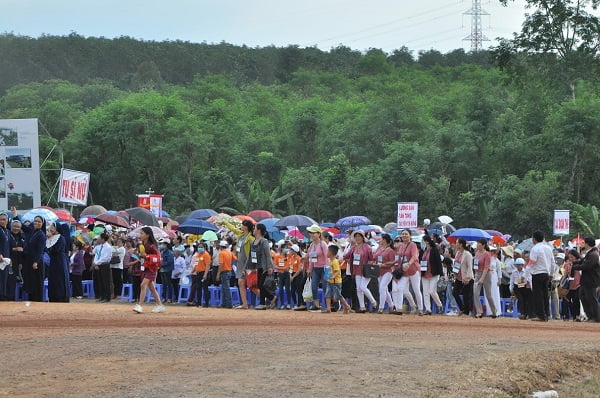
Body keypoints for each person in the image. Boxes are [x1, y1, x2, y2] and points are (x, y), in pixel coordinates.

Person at [133, 227, 165, 313]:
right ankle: (160, 305)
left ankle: (140, 305)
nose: (140, 235)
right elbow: (143, 255)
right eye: (140, 233)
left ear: (147, 235)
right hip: (145, 267)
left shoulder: (152, 246)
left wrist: (146, 256)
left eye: (142, 233)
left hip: (152, 269)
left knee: (143, 285)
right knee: (152, 288)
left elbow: (158, 257)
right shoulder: (142, 244)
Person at [224, 219, 255, 309]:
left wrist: (251, 265)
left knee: (252, 285)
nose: (241, 226)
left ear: (246, 227)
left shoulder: (251, 239)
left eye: (242, 225)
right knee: (241, 283)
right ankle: (244, 304)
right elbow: (233, 229)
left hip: (248, 263)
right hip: (240, 263)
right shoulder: (241, 236)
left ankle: (268, 299)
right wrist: (225, 222)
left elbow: (252, 253)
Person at [391, 229, 423, 315]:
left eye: (406, 234)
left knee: (416, 290)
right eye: (403, 234)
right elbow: (399, 258)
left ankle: (420, 309)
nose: (404, 235)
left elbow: (415, 256)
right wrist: (396, 268)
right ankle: (399, 308)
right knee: (400, 288)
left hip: (413, 270)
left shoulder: (413, 245)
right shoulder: (400, 245)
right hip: (404, 271)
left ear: (410, 236)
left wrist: (409, 264)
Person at [526, 231, 556, 322]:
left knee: (538, 295)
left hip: (537, 273)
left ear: (534, 239)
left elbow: (532, 262)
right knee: (545, 294)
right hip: (546, 274)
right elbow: (553, 263)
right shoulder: (548, 248)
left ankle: (541, 315)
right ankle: (547, 314)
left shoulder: (535, 249)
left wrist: (525, 274)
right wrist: (551, 274)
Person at [344, 230, 376, 313]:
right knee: (358, 289)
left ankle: (373, 302)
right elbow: (345, 256)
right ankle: (362, 307)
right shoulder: (353, 248)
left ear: (363, 238)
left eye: (359, 236)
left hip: (366, 270)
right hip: (356, 270)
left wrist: (369, 264)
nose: (357, 238)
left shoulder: (367, 247)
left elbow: (372, 258)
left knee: (363, 287)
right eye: (356, 236)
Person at [571, 236, 600, 322]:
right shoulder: (590, 253)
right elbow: (582, 260)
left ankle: (596, 317)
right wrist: (575, 262)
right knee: (583, 296)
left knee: (591, 298)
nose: (583, 245)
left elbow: (587, 266)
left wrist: (575, 267)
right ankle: (590, 315)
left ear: (587, 244)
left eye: (584, 243)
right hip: (586, 280)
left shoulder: (594, 254)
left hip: (591, 280)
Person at [246, 223, 275, 310]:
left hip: (265, 266)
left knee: (261, 284)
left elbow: (268, 254)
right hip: (257, 266)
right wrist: (248, 267)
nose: (253, 230)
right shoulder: (253, 242)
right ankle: (264, 302)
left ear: (259, 230)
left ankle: (269, 299)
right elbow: (251, 256)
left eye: (255, 228)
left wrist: (270, 266)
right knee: (259, 284)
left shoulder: (264, 241)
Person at [22, 216, 46, 302]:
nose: (37, 223)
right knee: (31, 283)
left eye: (39, 222)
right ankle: (31, 301)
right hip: (30, 261)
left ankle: (38, 302)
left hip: (37, 263)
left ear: (42, 224)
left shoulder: (41, 235)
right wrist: (15, 215)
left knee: (37, 283)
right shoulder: (32, 232)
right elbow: (23, 227)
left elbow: (40, 250)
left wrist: (36, 262)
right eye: (35, 221)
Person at [305, 224, 329, 311]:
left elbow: (327, 258)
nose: (311, 235)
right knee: (313, 286)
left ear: (319, 234)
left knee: (326, 286)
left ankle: (328, 305)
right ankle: (316, 305)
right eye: (310, 233)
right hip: (316, 268)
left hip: (324, 268)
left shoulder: (323, 244)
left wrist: (327, 270)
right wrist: (309, 269)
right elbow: (311, 258)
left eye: (313, 233)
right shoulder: (311, 245)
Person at [46, 222, 70, 302]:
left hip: (60, 261)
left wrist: (49, 241)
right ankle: (53, 296)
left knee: (60, 278)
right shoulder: (50, 237)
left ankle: (61, 296)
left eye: (53, 226)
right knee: (53, 278)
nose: (51, 228)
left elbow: (55, 250)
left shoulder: (61, 238)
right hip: (53, 261)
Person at [324, 245, 351, 314]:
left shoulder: (335, 261)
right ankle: (328, 308)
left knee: (338, 295)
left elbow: (337, 271)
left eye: (328, 251)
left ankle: (346, 306)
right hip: (330, 281)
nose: (326, 253)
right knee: (328, 294)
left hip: (336, 282)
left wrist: (333, 276)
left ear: (331, 253)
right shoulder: (330, 261)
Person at [421, 235, 444, 315]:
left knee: (432, 291)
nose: (422, 242)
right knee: (425, 292)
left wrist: (441, 273)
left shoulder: (434, 250)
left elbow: (438, 262)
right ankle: (428, 309)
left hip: (433, 273)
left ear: (427, 241)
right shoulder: (424, 250)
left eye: (422, 241)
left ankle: (439, 305)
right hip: (424, 273)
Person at [373, 234, 396, 314]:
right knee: (384, 289)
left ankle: (381, 307)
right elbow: (374, 257)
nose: (380, 240)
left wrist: (383, 265)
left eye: (381, 238)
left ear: (385, 240)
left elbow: (393, 262)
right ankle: (391, 305)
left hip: (387, 271)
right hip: (379, 271)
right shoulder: (379, 248)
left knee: (382, 288)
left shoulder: (391, 250)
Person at [187, 242, 211, 308]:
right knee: (198, 288)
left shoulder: (206, 255)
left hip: (204, 272)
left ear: (204, 248)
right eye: (199, 247)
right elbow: (196, 264)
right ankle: (199, 303)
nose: (200, 248)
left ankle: (206, 303)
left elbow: (208, 265)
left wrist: (205, 274)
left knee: (205, 288)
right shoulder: (197, 255)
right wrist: (192, 271)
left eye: (201, 247)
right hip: (198, 273)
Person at [561, 250, 581, 321]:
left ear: (576, 257)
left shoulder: (580, 263)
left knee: (576, 300)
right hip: (569, 285)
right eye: (569, 257)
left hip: (578, 284)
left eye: (572, 257)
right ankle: (568, 316)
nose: (570, 259)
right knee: (566, 300)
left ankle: (577, 316)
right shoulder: (567, 264)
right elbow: (565, 274)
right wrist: (561, 283)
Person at [7, 219, 25, 301]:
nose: (16, 228)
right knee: (8, 281)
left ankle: (12, 299)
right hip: (8, 261)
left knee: (13, 281)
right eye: (14, 226)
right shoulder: (7, 235)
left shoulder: (21, 237)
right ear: (11, 226)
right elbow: (5, 248)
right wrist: (15, 249)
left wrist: (21, 263)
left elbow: (21, 252)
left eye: (18, 227)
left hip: (16, 263)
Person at [92, 233, 113, 303]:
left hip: (104, 265)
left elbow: (105, 258)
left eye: (99, 238)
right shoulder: (98, 247)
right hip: (98, 265)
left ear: (103, 239)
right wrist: (95, 264)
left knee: (105, 281)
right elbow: (94, 254)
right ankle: (102, 296)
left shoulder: (108, 247)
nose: (97, 239)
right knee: (99, 281)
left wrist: (97, 263)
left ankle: (107, 297)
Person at [216, 240, 235, 308]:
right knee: (224, 288)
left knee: (225, 288)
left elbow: (221, 264)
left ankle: (229, 304)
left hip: (224, 272)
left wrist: (218, 274)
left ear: (221, 246)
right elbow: (235, 258)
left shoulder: (221, 253)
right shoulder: (229, 252)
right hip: (229, 271)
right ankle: (224, 303)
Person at [276, 243, 293, 309]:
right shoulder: (277, 256)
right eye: (285, 248)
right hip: (280, 274)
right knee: (280, 290)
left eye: (287, 248)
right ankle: (282, 304)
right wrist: (282, 268)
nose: (286, 249)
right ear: (281, 248)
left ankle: (288, 303)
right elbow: (274, 266)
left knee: (288, 289)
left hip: (287, 274)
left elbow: (291, 265)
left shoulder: (289, 256)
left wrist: (290, 273)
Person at [288, 244, 305, 310]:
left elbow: (300, 269)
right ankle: (295, 303)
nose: (290, 251)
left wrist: (293, 276)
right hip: (292, 274)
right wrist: (290, 275)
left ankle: (300, 303)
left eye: (291, 249)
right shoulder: (291, 258)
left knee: (299, 290)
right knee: (292, 291)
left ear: (294, 251)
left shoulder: (299, 258)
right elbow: (290, 267)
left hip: (298, 275)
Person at [158, 238, 174, 303]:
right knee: (164, 284)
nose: (161, 245)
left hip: (167, 270)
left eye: (163, 244)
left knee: (168, 284)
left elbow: (169, 261)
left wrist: (161, 264)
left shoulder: (169, 253)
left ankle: (169, 298)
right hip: (162, 270)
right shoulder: (161, 252)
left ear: (166, 245)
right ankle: (164, 297)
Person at [0, 211, 11, 300]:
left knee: (4, 277)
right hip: (1, 257)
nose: (2, 221)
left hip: (6, 257)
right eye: (0, 220)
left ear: (7, 221)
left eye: (4, 219)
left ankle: (3, 295)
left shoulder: (7, 231)